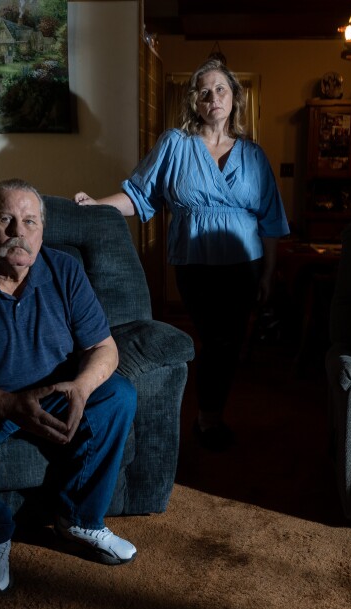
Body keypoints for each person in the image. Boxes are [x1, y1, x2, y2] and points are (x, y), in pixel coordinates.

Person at [0, 179, 138, 595]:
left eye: (30, 221)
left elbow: (104, 347)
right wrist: (8, 404)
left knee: (118, 395)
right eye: (5, 219)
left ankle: (81, 521)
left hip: (54, 391)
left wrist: (81, 388)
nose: (19, 231)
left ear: (42, 232)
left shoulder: (64, 270)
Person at [74, 58, 290, 451]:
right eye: (204, 91)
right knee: (216, 339)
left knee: (229, 341)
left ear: (233, 98)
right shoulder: (175, 143)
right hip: (196, 263)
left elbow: (271, 219)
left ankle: (210, 416)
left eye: (221, 89)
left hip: (245, 263)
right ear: (195, 101)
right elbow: (140, 196)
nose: (213, 97)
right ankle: (207, 418)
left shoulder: (254, 154)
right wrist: (95, 205)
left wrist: (267, 273)